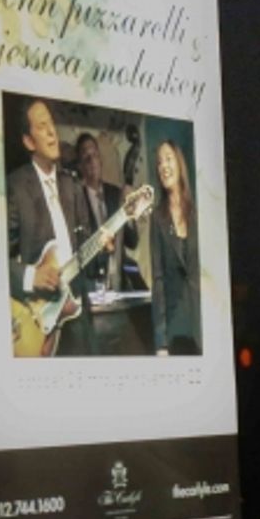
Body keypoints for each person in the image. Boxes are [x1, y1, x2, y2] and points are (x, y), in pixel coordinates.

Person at [7, 96, 97, 356]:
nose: (51, 132)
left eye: (51, 124)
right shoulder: (15, 187)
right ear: (28, 141)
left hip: (77, 315)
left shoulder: (73, 185)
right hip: (38, 320)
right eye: (42, 126)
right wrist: (30, 276)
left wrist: (103, 246)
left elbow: (88, 257)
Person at [150, 139, 201, 355]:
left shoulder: (198, 212)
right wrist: (161, 341)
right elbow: (158, 280)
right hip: (175, 328)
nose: (163, 166)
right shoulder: (157, 218)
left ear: (180, 164)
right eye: (159, 162)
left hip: (203, 323)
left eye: (168, 159)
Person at [75, 131, 139, 292]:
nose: (92, 161)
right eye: (86, 157)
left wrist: (130, 210)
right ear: (80, 166)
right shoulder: (76, 200)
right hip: (92, 285)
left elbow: (132, 241)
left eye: (95, 155)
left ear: (101, 160)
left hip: (120, 282)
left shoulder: (116, 194)